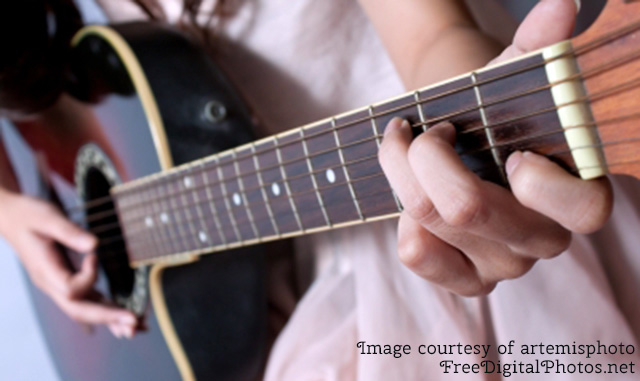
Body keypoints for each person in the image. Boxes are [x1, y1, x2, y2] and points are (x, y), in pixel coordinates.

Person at [2, 0, 639, 379]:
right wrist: (10, 211)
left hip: (418, 231)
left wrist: (489, 129)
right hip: (271, 291)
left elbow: (432, 37)